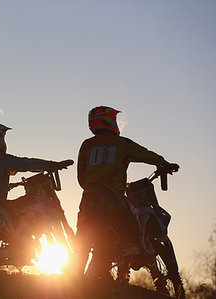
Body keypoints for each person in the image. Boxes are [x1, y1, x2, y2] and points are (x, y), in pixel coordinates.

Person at [75, 106, 178, 280]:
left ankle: (75, 280)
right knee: (129, 233)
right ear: (109, 122)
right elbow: (145, 154)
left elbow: (81, 177)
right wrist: (163, 163)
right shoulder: (121, 144)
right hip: (114, 200)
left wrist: (92, 187)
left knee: (82, 242)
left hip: (89, 199)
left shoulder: (86, 145)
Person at [0, 122, 73, 252]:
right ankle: (20, 247)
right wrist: (51, 165)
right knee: (25, 209)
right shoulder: (1, 158)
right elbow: (25, 163)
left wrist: (9, 186)